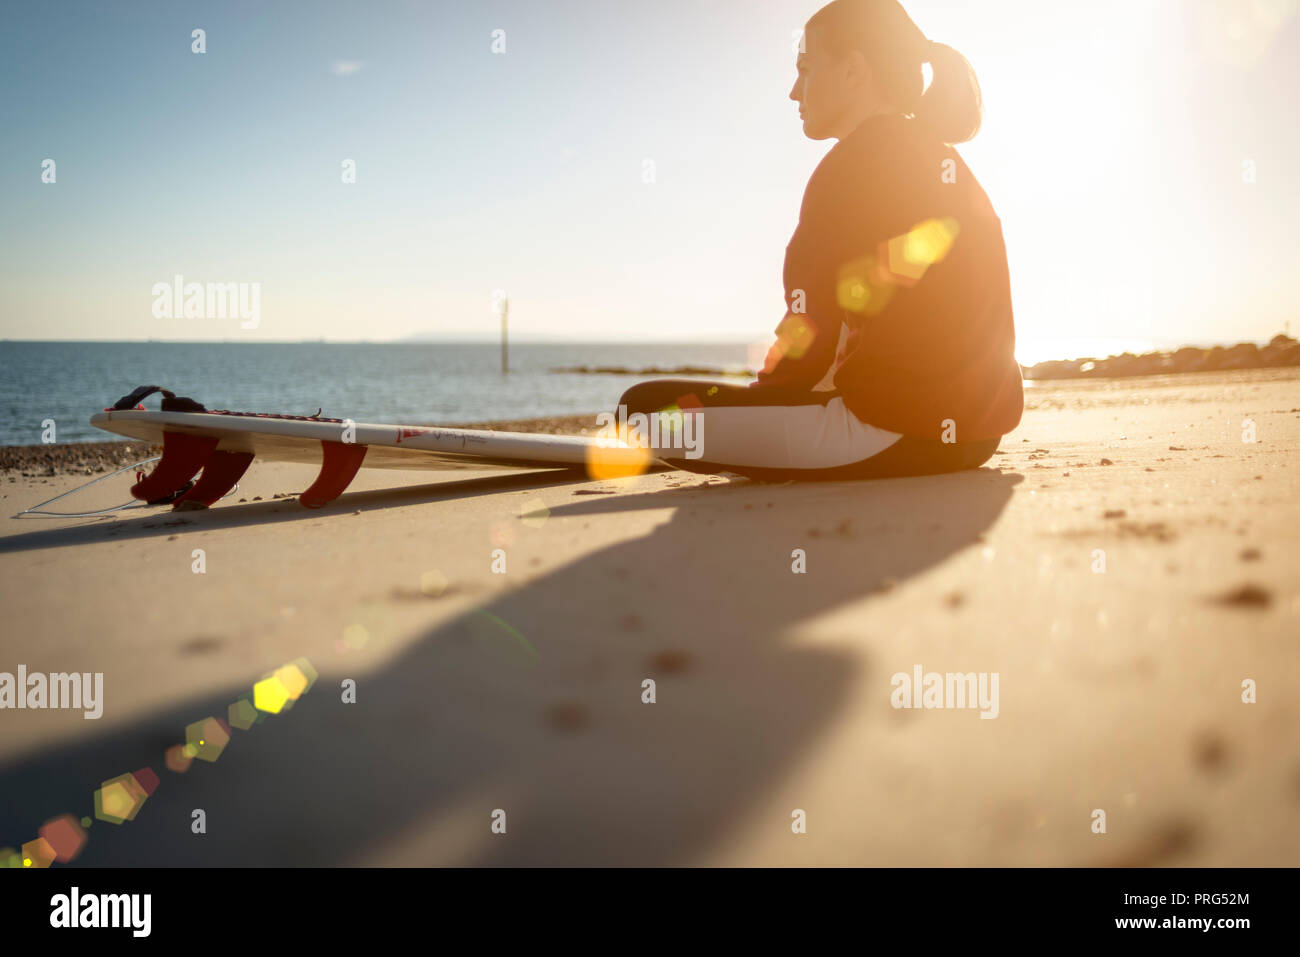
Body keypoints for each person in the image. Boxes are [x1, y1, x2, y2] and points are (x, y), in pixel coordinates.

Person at [616, 0, 1023, 481]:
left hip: (893, 432)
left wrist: (758, 402)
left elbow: (809, 332)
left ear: (854, 70)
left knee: (641, 413)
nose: (793, 91)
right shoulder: (940, 158)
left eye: (805, 70)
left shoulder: (853, 164)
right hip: (977, 433)